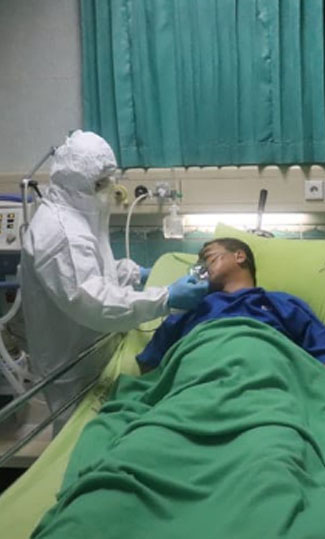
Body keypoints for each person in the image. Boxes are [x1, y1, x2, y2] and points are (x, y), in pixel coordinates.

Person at [21, 130, 208, 423]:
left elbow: (96, 269)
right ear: (79, 183)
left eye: (109, 179)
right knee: (77, 434)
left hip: (95, 351)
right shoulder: (60, 233)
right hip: (72, 366)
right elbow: (92, 301)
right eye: (101, 183)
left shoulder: (78, 216)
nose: (109, 188)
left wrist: (137, 274)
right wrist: (165, 298)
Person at [137, 238, 325, 374]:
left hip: (268, 385)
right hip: (196, 384)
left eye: (208, 259)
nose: (201, 269)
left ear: (239, 256)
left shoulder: (280, 303)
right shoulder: (188, 308)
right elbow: (150, 364)